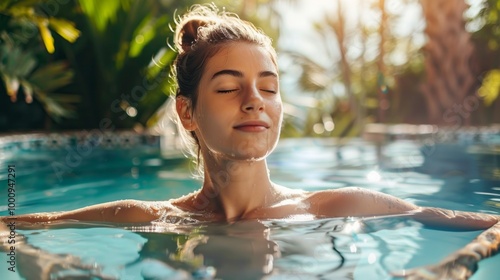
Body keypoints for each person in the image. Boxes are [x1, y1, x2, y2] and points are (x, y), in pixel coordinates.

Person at [2, 4, 500, 279]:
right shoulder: (146, 217)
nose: (254, 100)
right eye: (227, 87)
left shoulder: (342, 205)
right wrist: (41, 263)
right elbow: (5, 226)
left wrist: (456, 264)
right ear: (187, 112)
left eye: (269, 87)